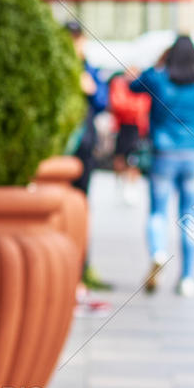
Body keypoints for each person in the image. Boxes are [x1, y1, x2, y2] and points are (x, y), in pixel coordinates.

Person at [128, 36, 194, 297]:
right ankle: (187, 278)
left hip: (164, 154)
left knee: (158, 211)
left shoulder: (159, 80)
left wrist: (158, 64)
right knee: (190, 217)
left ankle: (158, 251)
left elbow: (134, 85)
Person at [64, 20, 112, 290]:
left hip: (84, 147)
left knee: (81, 205)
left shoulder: (90, 71)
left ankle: (81, 266)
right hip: (61, 150)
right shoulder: (56, 67)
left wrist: (91, 88)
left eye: (77, 39)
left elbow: (103, 101)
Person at [107, 68, 151, 206]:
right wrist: (133, 108)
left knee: (136, 158)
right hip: (122, 127)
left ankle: (131, 185)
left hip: (138, 127)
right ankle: (120, 182)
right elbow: (117, 104)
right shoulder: (119, 83)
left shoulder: (142, 86)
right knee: (120, 157)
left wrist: (130, 107)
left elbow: (144, 106)